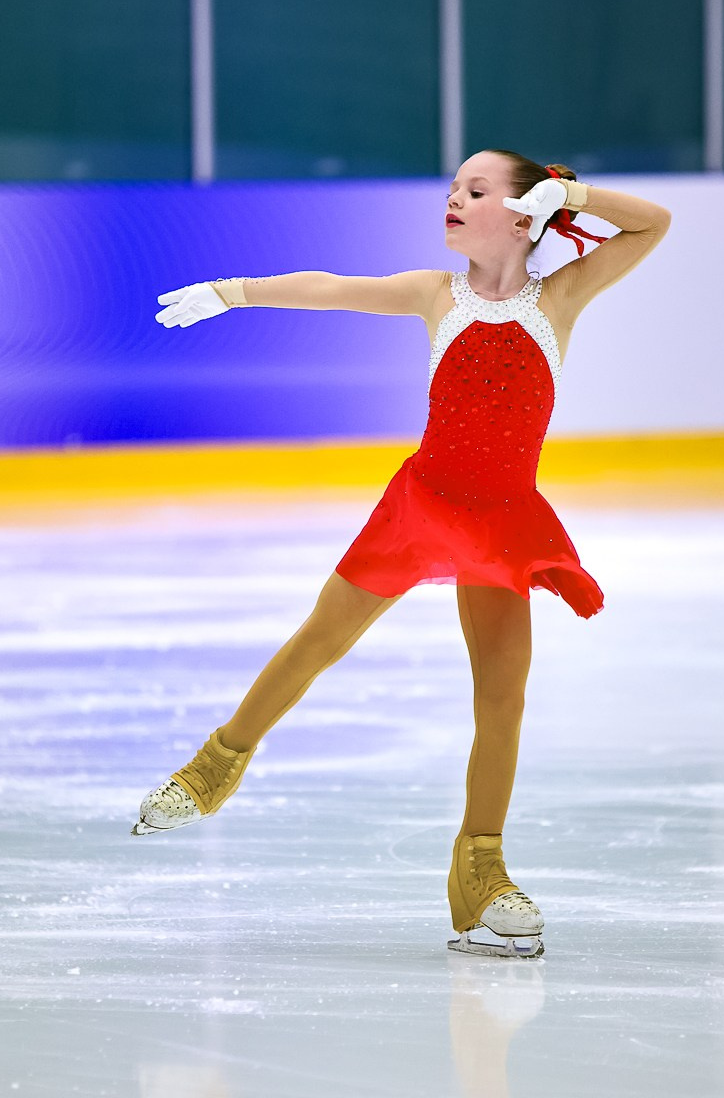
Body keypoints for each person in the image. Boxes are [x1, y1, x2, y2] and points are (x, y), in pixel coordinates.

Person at [132, 148, 672, 958]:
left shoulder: (559, 295)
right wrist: (229, 292)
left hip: (501, 520)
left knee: (502, 696)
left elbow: (652, 224)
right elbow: (329, 287)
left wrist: (576, 193)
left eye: (475, 190)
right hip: (421, 505)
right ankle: (213, 766)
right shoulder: (435, 293)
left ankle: (481, 871)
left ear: (526, 210)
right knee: (322, 638)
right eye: (452, 187)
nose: (452, 197)